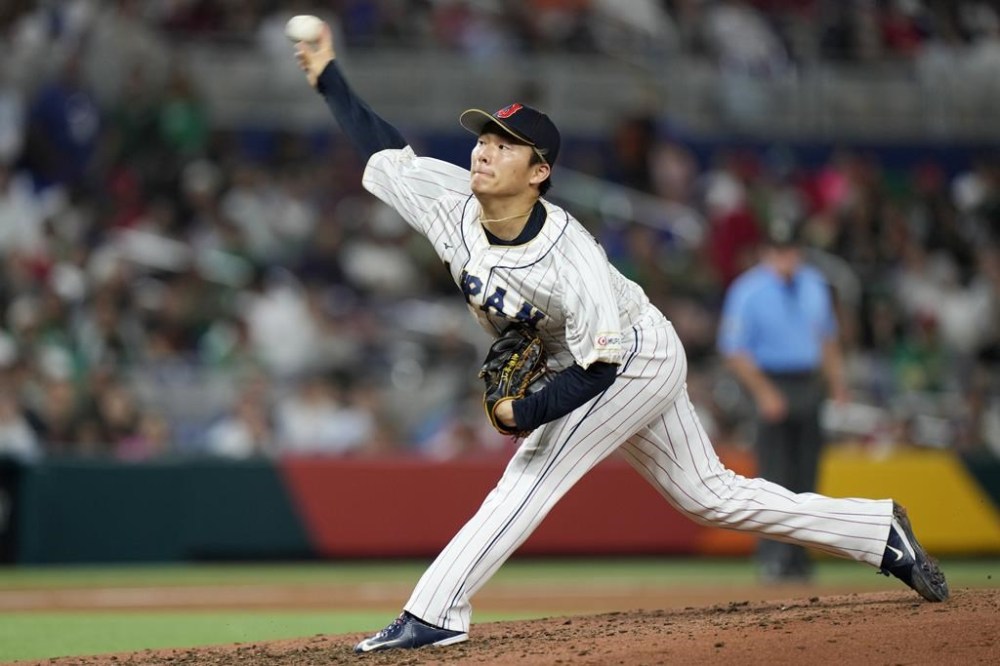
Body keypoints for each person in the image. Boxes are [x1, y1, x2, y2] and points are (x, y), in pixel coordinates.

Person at [291, 22, 949, 654]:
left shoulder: (567, 254)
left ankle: (434, 613)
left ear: (539, 171)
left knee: (534, 469)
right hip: (597, 352)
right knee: (710, 495)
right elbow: (381, 146)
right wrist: (328, 75)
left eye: (505, 145)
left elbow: (600, 368)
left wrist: (530, 410)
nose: (485, 151)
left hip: (630, 355)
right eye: (484, 138)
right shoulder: (447, 200)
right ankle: (876, 529)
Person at [717, 217, 849, 583]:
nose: (785, 258)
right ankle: (773, 557)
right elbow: (734, 350)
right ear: (765, 253)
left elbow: (827, 339)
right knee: (774, 477)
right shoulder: (748, 290)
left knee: (807, 475)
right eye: (778, 251)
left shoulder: (815, 286)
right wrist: (763, 392)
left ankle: (799, 558)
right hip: (770, 380)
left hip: (809, 382)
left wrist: (838, 382)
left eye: (790, 250)